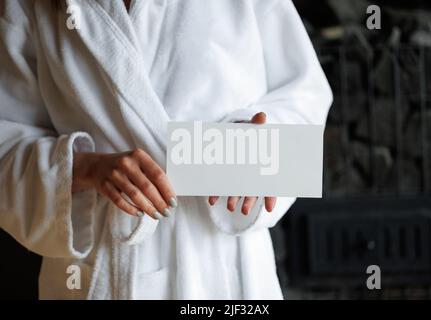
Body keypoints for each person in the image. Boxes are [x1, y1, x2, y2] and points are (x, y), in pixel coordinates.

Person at [0, 0, 332, 299]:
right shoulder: (31, 5)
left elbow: (307, 102)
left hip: (222, 270)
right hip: (102, 265)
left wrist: (255, 147)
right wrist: (86, 167)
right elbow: (6, 144)